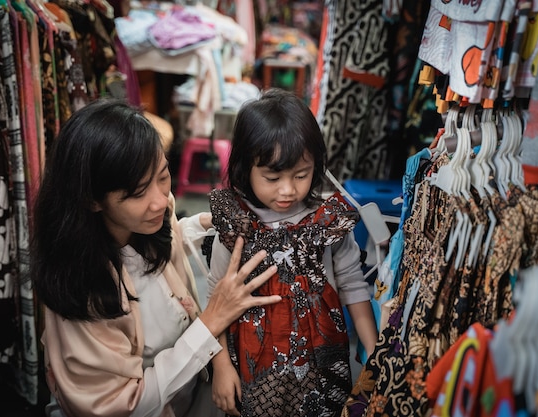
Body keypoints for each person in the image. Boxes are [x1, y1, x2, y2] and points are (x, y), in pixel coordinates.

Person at [30, 99, 281, 417]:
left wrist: (203, 223)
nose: (161, 201)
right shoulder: (82, 293)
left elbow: (169, 233)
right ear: (92, 200)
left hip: (187, 394)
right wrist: (211, 321)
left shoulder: (145, 217)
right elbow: (122, 406)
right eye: (137, 192)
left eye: (163, 176)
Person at [207, 88, 379, 417]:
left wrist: (374, 355)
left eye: (301, 175)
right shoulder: (237, 226)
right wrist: (220, 368)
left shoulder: (327, 223)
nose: (288, 189)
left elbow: (354, 286)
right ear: (246, 168)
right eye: (272, 177)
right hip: (253, 370)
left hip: (322, 365)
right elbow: (216, 304)